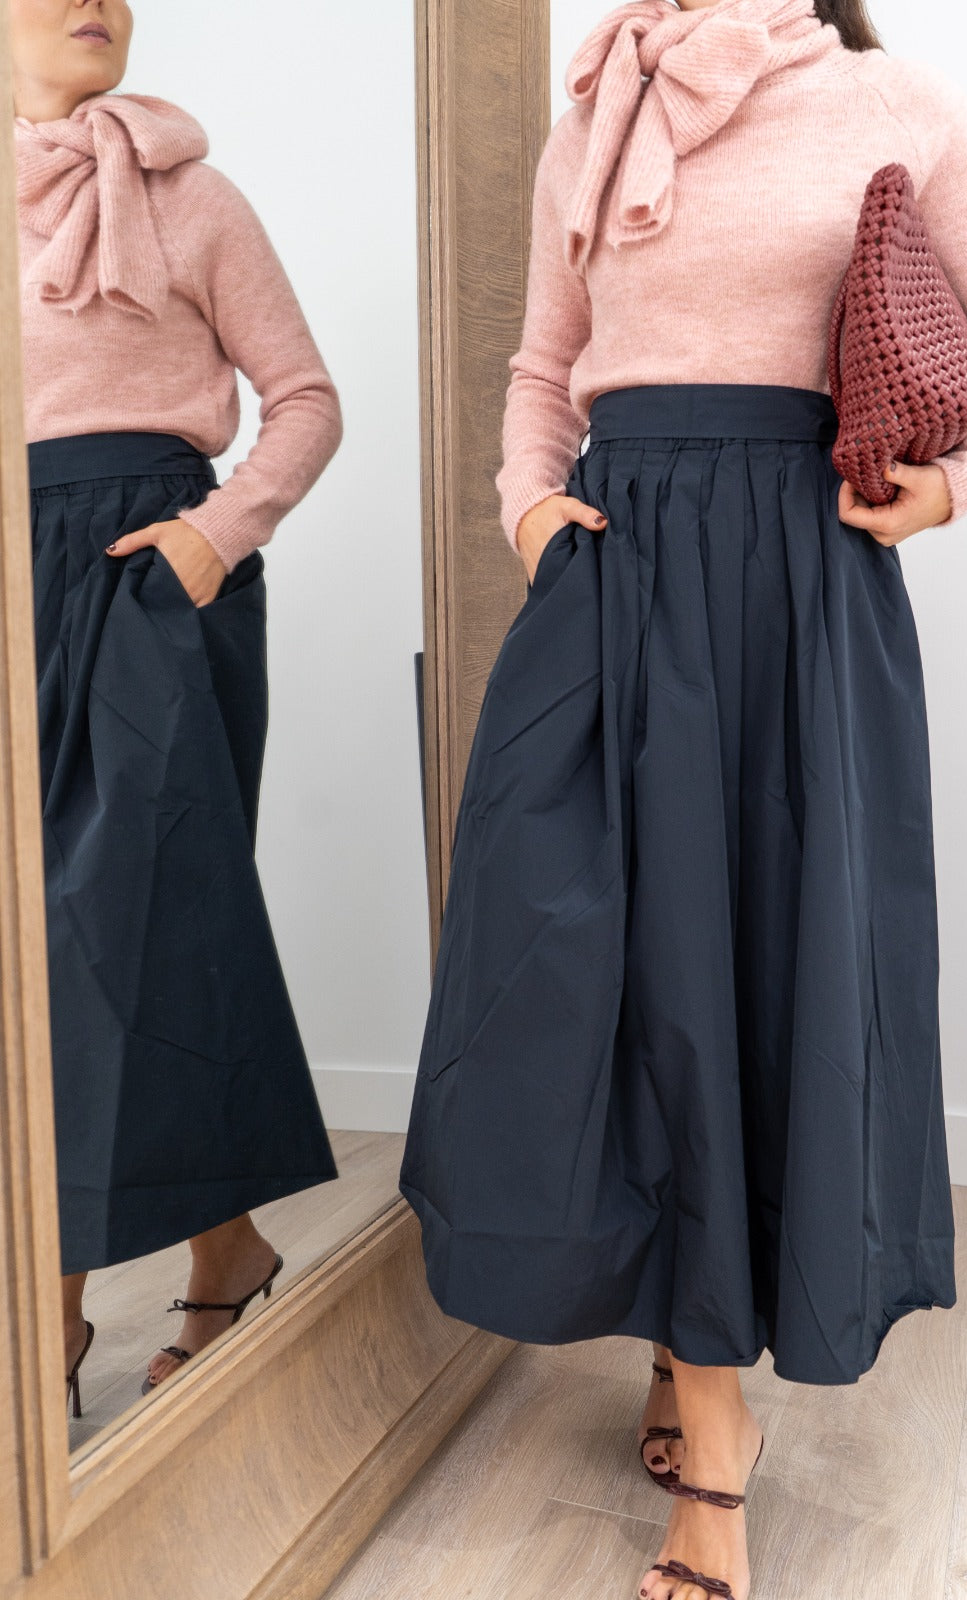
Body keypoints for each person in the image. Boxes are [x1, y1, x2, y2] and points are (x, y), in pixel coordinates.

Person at [399, 1, 967, 1596]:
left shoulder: (891, 99)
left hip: (796, 579)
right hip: (615, 569)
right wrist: (529, 509)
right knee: (586, 970)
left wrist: (954, 488)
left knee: (751, 974)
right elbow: (543, 362)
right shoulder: (596, 114)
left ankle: (709, 1429)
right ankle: (682, 1338)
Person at [12, 0, 344, 1410]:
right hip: (14, 580)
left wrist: (217, 535)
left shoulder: (194, 197)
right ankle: (229, 1252)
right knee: (72, 951)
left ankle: (45, 1322)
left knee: (107, 939)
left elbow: (307, 399)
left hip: (153, 575)